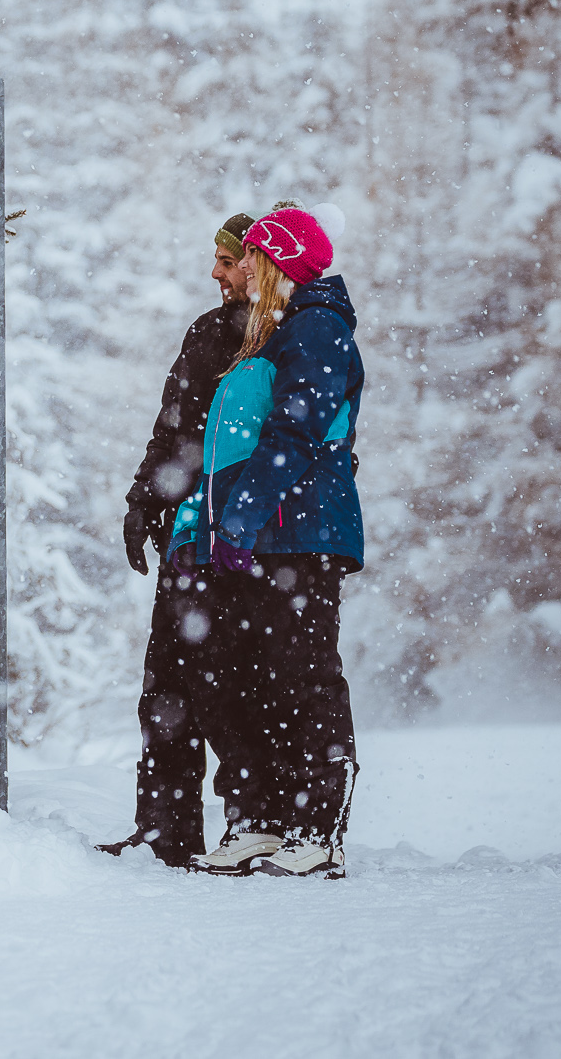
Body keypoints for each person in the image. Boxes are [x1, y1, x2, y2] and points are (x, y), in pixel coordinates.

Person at [168, 204, 364, 878]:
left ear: (275, 261)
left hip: (298, 537)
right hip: (258, 538)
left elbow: (295, 433)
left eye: (250, 253)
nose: (237, 265)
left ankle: (319, 827)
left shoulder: (316, 328)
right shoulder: (271, 336)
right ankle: (258, 819)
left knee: (303, 674)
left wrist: (243, 517)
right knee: (239, 678)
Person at [98, 211, 258, 869]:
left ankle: (253, 827)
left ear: (258, 262)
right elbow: (172, 430)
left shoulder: (280, 338)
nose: (214, 273)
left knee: (230, 688)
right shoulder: (209, 331)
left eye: (226, 261)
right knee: (165, 687)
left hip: (238, 544)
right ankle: (166, 829)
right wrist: (144, 501)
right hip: (186, 538)